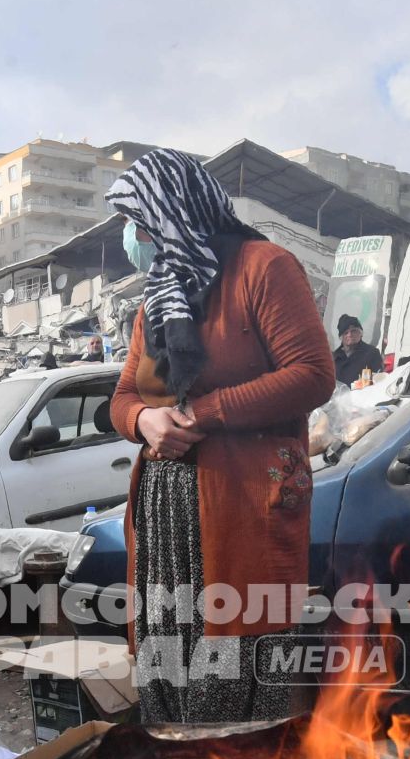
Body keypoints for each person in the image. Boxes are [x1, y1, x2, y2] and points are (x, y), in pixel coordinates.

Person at [108, 148, 336, 724]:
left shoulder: (264, 268)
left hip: (245, 500)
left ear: (174, 211)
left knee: (241, 658)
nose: (134, 237)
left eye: (140, 220)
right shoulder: (157, 298)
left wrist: (206, 413)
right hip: (168, 511)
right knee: (171, 655)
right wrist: (144, 421)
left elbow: (312, 375)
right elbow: (123, 398)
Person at [332, 313, 382, 386]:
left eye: (353, 331)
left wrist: (355, 386)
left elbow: (377, 379)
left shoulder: (371, 353)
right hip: (338, 396)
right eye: (346, 333)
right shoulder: (334, 357)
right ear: (341, 337)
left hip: (363, 395)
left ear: (361, 333)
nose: (349, 335)